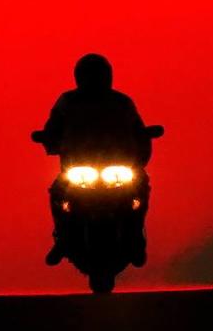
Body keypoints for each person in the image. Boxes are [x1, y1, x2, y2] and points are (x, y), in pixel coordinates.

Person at [35, 54, 152, 267]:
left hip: (118, 167)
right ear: (79, 77)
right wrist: (48, 138)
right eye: (89, 75)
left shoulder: (122, 102)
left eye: (97, 75)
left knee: (141, 186)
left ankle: (136, 233)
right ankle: (62, 237)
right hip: (78, 166)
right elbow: (53, 127)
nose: (93, 80)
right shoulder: (67, 101)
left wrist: (141, 151)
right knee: (57, 192)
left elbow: (138, 129)